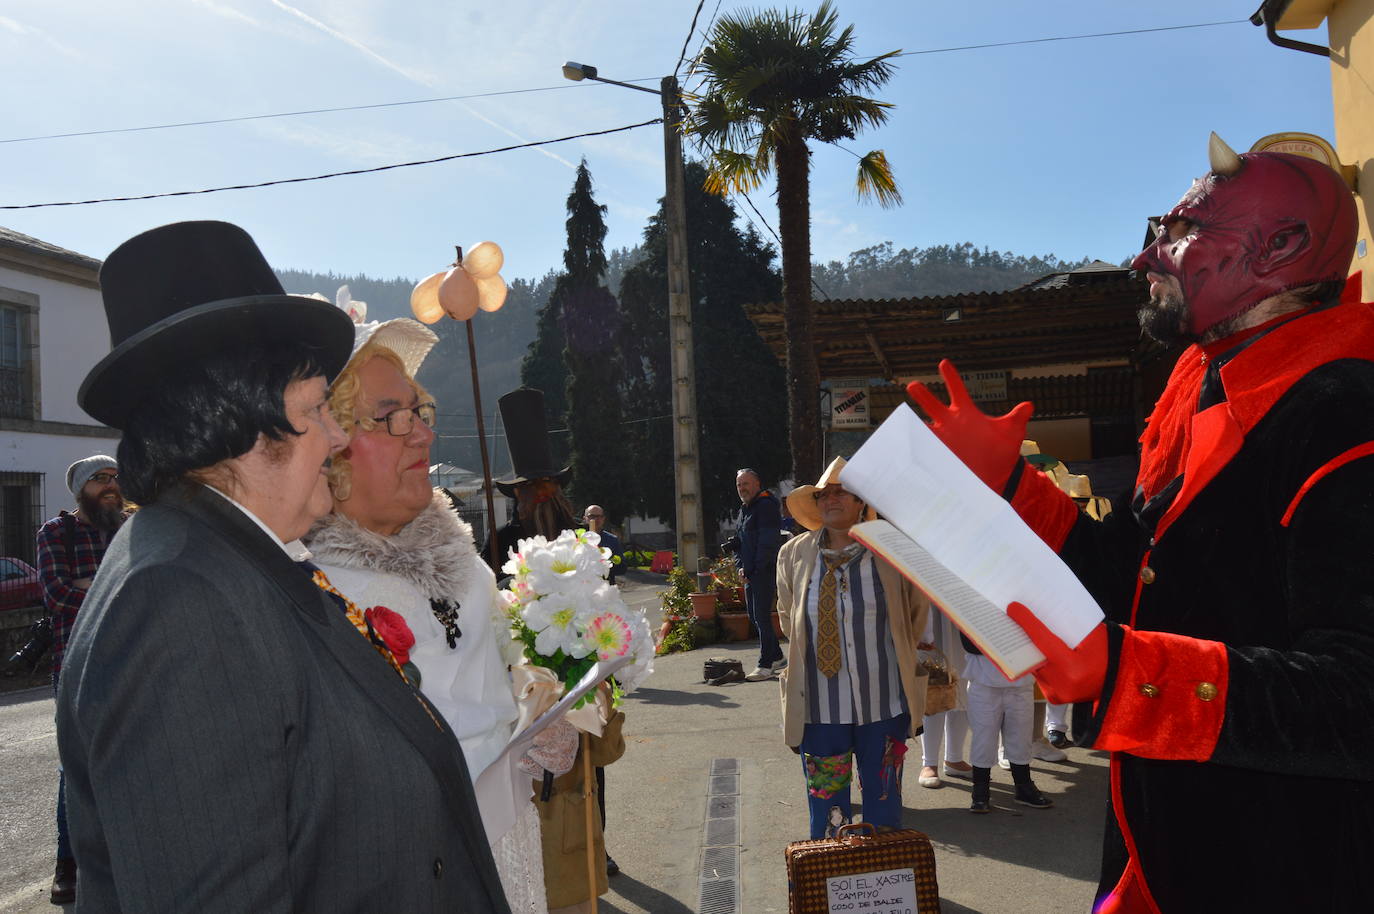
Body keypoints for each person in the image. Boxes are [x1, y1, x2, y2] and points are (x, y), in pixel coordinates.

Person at [909, 136, 1374, 911]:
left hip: (1285, 866)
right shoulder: (1205, 389)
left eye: (1179, 230)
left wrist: (1129, 674)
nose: (1143, 257)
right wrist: (1012, 484)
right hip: (1164, 842)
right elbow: (1133, 571)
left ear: (1282, 247)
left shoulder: (1343, 415)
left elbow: (1359, 695)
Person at [56, 220, 510, 913]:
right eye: (317, 409)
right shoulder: (179, 603)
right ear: (238, 423)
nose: (334, 435)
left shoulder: (230, 557)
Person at [304, 314, 567, 912]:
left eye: (418, 412)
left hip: (507, 842)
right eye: (389, 418)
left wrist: (538, 705)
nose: (422, 434)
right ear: (329, 443)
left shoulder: (464, 558)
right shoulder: (311, 591)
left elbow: (504, 658)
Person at [492, 387, 624, 900]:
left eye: (545, 487)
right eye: (530, 489)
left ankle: (595, 845)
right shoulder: (503, 542)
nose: (538, 497)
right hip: (524, 682)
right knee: (534, 781)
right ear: (519, 496)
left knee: (586, 770)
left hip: (581, 677)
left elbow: (605, 599)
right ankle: (534, 859)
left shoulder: (579, 539)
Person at [776, 457, 929, 838]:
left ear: (861, 501)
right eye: (823, 494)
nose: (830, 500)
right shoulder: (794, 554)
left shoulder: (890, 551)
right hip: (819, 707)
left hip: (883, 702)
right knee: (827, 804)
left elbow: (913, 614)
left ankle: (884, 883)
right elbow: (787, 615)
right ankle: (830, 883)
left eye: (840, 492)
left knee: (884, 798)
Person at [34, 454, 127, 904]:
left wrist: (92, 583)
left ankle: (127, 856)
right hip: (77, 667)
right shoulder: (57, 533)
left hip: (133, 661)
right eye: (100, 479)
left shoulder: (130, 527)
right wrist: (115, 589)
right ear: (79, 489)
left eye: (115, 477)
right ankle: (68, 864)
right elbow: (56, 595)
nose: (111, 485)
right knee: (76, 767)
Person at [735, 467, 785, 681]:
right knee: (754, 617)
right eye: (739, 485)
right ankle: (778, 657)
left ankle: (765, 665)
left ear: (757, 484)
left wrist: (754, 568)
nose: (742, 488)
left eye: (746, 484)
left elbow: (767, 542)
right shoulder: (744, 509)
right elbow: (739, 542)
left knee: (762, 617)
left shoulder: (765, 506)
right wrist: (740, 566)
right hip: (749, 572)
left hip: (763, 570)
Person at [583, 504, 623, 584]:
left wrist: (604, 564)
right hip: (582, 588)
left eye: (599, 516)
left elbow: (622, 568)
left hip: (605, 587)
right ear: (585, 518)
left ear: (603, 519)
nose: (596, 519)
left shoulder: (612, 540)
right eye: (592, 516)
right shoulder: (577, 539)